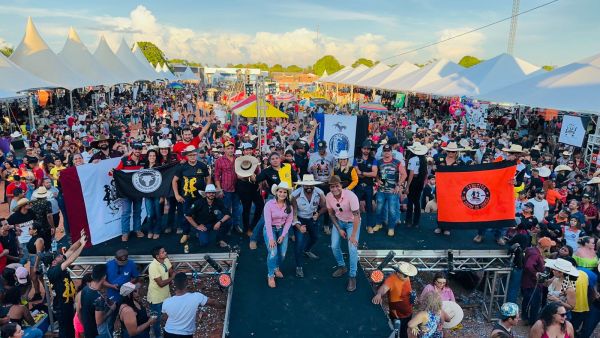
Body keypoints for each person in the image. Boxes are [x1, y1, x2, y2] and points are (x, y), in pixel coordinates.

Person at [46, 231, 87, 338]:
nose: (61, 255)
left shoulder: (58, 263)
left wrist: (80, 238)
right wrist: (82, 246)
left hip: (67, 304)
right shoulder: (53, 271)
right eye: (58, 256)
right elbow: (71, 259)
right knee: (65, 332)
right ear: (54, 262)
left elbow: (72, 250)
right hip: (61, 307)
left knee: (71, 330)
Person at [161, 272, 224, 338]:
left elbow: (165, 317)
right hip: (185, 334)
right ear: (187, 283)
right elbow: (213, 302)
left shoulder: (166, 302)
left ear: (174, 284)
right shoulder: (196, 297)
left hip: (168, 333)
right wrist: (225, 307)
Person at [327, 175, 361, 292]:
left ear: (342, 186)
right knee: (334, 245)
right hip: (339, 222)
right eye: (332, 186)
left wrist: (353, 235)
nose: (334, 188)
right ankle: (342, 266)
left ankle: (352, 276)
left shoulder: (351, 196)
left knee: (352, 248)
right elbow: (331, 214)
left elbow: (357, 216)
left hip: (352, 223)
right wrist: (339, 229)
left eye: (337, 186)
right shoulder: (329, 196)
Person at [172, 145, 210, 244]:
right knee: (186, 214)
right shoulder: (182, 167)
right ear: (186, 156)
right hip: (186, 196)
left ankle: (198, 230)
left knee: (199, 214)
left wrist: (208, 190)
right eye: (190, 155)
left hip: (200, 196)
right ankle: (186, 233)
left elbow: (208, 177)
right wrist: (177, 195)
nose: (192, 157)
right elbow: (174, 181)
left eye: (194, 155)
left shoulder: (202, 165)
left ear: (196, 154)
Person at [291, 175, 326, 277]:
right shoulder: (295, 195)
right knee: (299, 243)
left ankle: (307, 250)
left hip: (312, 218)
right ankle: (299, 267)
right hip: (299, 219)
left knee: (315, 237)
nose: (309, 187)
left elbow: (325, 206)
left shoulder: (320, 192)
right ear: (302, 185)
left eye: (311, 185)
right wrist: (298, 226)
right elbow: (294, 213)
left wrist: (318, 214)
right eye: (306, 185)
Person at [372, 262, 418, 338]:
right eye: (406, 275)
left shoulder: (406, 277)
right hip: (397, 315)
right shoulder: (391, 279)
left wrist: (413, 298)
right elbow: (383, 288)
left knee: (404, 332)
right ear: (398, 273)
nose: (407, 277)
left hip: (408, 313)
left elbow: (406, 291)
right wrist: (379, 294)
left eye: (408, 275)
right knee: (397, 334)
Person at [263, 182, 294, 288]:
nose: (282, 194)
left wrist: (283, 235)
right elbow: (267, 222)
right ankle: (270, 275)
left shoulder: (289, 206)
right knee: (273, 253)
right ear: (276, 192)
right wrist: (271, 238)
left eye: (285, 192)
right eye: (280, 191)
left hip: (282, 230)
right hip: (270, 229)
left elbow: (289, 221)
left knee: (283, 254)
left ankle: (276, 267)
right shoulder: (269, 204)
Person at [114, 144, 145, 242]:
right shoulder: (124, 160)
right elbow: (115, 172)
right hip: (126, 191)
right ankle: (125, 232)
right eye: (136, 148)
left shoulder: (144, 160)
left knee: (138, 211)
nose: (138, 151)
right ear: (132, 149)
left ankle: (137, 230)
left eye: (140, 149)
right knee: (126, 212)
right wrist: (113, 172)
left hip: (138, 191)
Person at [522, 237, 555, 323]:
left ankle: (525, 317)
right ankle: (532, 321)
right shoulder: (535, 254)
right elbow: (529, 266)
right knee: (534, 303)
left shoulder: (531, 250)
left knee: (527, 300)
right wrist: (536, 273)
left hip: (527, 281)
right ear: (545, 247)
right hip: (533, 283)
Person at [376, 144, 406, 237]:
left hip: (393, 191)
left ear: (391, 151)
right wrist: (377, 180)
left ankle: (391, 228)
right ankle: (378, 224)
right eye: (385, 151)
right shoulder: (379, 162)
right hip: (381, 190)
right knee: (379, 208)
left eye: (388, 151)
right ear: (383, 152)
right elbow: (376, 174)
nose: (387, 152)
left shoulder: (397, 162)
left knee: (392, 210)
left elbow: (404, 174)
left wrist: (398, 185)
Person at [214, 140, 242, 234]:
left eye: (232, 148)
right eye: (228, 148)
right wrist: (219, 189)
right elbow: (217, 176)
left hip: (237, 188)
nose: (230, 150)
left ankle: (236, 225)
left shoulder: (238, 159)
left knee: (236, 208)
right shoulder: (219, 160)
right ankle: (226, 227)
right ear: (224, 149)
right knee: (225, 209)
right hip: (225, 189)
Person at [80, 264, 115, 338]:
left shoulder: (85, 289)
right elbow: (99, 321)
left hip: (87, 329)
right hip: (97, 333)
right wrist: (111, 309)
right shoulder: (98, 298)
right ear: (104, 277)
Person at [234, 150, 263, 237]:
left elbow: (259, 174)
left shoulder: (255, 160)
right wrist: (250, 175)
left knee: (260, 205)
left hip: (254, 186)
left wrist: (260, 182)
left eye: (250, 149)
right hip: (243, 186)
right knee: (247, 208)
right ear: (244, 152)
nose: (248, 151)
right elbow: (239, 176)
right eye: (246, 150)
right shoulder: (239, 161)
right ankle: (246, 229)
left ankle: (252, 226)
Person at [147, 246, 173, 338]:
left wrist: (172, 276)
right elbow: (161, 284)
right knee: (156, 320)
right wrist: (172, 278)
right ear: (157, 256)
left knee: (168, 315)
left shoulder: (165, 260)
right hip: (156, 298)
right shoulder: (153, 266)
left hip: (166, 295)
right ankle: (157, 335)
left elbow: (171, 271)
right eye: (163, 252)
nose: (165, 253)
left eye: (164, 251)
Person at [353, 140, 378, 233]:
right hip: (358, 186)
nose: (366, 150)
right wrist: (368, 173)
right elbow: (356, 173)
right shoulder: (356, 158)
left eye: (368, 149)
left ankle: (369, 226)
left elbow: (374, 173)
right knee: (355, 206)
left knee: (369, 206)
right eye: (365, 148)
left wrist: (363, 172)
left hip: (368, 186)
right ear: (361, 149)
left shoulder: (373, 159)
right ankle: (353, 224)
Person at [143, 149, 163, 239]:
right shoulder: (144, 167)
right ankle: (150, 230)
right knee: (149, 214)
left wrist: (163, 196)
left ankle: (157, 231)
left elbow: (164, 182)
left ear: (156, 157)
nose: (152, 157)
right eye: (150, 155)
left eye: (154, 156)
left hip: (158, 195)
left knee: (158, 213)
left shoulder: (160, 167)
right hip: (147, 195)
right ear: (148, 157)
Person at [74, 273, 93, 338]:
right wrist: (84, 324)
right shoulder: (81, 293)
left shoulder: (87, 292)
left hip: (84, 321)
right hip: (81, 321)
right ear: (88, 283)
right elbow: (79, 312)